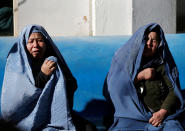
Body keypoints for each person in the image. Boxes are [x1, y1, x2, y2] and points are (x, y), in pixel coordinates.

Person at [1, 24, 96, 131]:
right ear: (24, 44)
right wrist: (43, 75)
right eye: (31, 41)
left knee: (89, 128)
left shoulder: (53, 61)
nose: (35, 45)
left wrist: (59, 78)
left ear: (46, 43)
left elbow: (71, 85)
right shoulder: (17, 65)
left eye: (40, 40)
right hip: (25, 119)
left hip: (53, 114)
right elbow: (16, 102)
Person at [104, 23, 185, 130]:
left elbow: (174, 91)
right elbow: (114, 89)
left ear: (159, 44)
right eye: (146, 39)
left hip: (160, 118)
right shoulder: (126, 63)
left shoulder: (163, 65)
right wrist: (139, 77)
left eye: (154, 41)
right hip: (130, 118)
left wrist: (162, 112)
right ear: (139, 41)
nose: (149, 43)